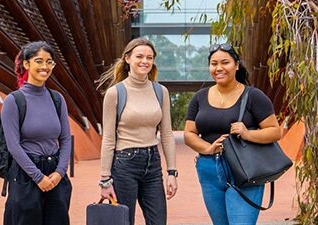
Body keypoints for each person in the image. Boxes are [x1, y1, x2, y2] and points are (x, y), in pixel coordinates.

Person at [183, 43, 282, 225]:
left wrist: (247, 134)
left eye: (225, 62)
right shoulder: (199, 97)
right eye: (214, 64)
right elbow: (189, 133)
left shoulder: (253, 96)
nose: (219, 68)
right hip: (209, 170)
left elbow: (276, 131)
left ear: (236, 65)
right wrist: (209, 148)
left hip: (244, 168)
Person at [97, 37, 177, 225]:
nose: (145, 61)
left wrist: (172, 172)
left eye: (149, 57)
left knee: (158, 221)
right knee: (124, 221)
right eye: (139, 56)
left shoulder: (160, 91)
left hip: (153, 163)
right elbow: (108, 138)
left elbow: (166, 134)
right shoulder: (116, 93)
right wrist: (105, 179)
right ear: (127, 58)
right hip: (124, 164)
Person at [1, 41, 73, 225]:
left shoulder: (57, 99)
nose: (45, 67)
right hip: (26, 175)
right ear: (26, 64)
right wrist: (38, 177)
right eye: (39, 61)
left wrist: (59, 172)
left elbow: (65, 139)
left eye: (49, 62)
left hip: (55, 175)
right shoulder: (13, 100)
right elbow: (13, 145)